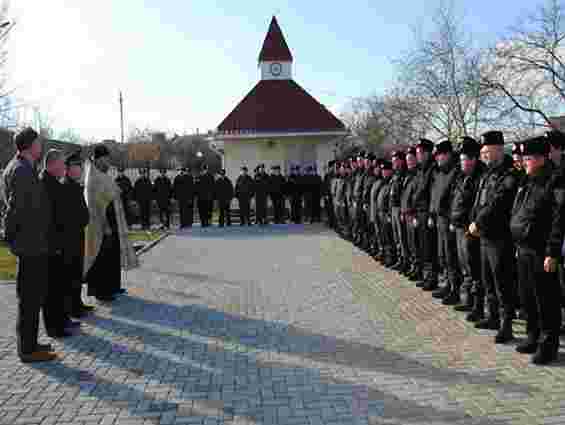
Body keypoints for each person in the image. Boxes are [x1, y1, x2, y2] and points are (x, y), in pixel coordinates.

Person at [3, 127, 57, 362]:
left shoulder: (22, 167)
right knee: (29, 298)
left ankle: (31, 343)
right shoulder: (21, 171)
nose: (40, 146)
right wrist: (13, 238)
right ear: (29, 146)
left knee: (32, 298)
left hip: (33, 243)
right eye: (38, 142)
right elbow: (14, 211)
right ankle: (27, 349)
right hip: (30, 245)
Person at [510, 136, 565, 364]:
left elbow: (559, 219)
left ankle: (548, 343)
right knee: (527, 296)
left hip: (542, 251)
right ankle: (532, 335)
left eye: (528, 158)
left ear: (541, 158)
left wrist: (553, 252)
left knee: (546, 299)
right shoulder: (528, 180)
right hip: (523, 248)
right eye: (523, 158)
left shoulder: (555, 180)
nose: (524, 162)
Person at [469, 130, 519, 344]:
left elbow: (497, 204)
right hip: (484, 236)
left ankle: (506, 325)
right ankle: (493, 317)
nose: (483, 156)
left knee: (502, 282)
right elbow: (479, 202)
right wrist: (473, 222)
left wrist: (478, 223)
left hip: (500, 237)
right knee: (488, 279)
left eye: (486, 151)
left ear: (498, 149)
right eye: (482, 152)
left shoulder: (509, 174)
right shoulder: (488, 173)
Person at [84, 145, 138, 302]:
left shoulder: (101, 173)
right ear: (99, 158)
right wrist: (105, 224)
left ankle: (113, 286)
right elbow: (95, 203)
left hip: (111, 222)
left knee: (112, 255)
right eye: (106, 159)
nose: (108, 162)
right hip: (102, 224)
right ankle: (102, 291)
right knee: (102, 258)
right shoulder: (93, 175)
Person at [40, 149, 79, 338]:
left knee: (61, 286)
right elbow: (48, 218)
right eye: (63, 164)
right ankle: (54, 327)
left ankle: (62, 320)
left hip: (61, 243)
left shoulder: (54, 183)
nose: (65, 167)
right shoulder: (44, 183)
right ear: (53, 164)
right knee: (52, 290)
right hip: (51, 245)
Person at [449, 137, 486, 320]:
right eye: (461, 159)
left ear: (473, 159)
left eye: (465, 159)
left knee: (475, 269)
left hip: (471, 229)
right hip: (459, 226)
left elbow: (478, 205)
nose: (462, 162)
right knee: (465, 267)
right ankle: (469, 301)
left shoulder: (480, 177)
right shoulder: (462, 176)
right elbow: (455, 200)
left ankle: (478, 305)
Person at [63, 150, 94, 318]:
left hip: (78, 235)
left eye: (81, 166)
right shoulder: (66, 186)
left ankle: (77, 303)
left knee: (77, 272)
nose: (81, 169)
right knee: (71, 273)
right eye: (78, 166)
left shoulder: (75, 185)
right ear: (68, 168)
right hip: (70, 238)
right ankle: (72, 307)